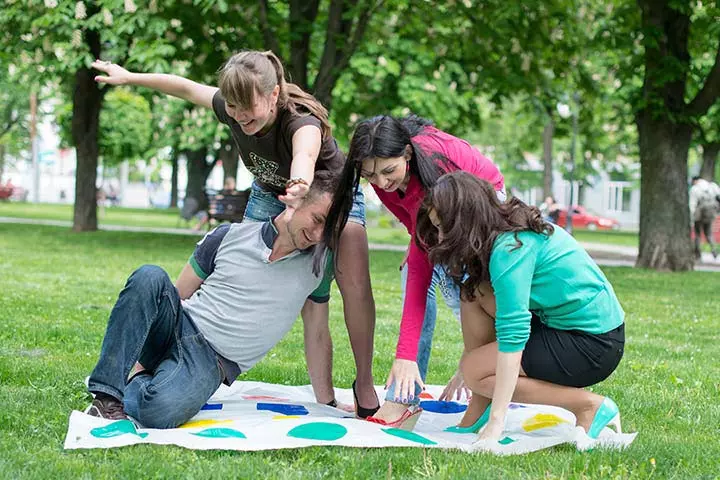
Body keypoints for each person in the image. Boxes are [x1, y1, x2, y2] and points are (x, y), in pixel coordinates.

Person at [93, 52, 379, 415]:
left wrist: (300, 184)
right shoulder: (233, 107)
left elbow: (305, 155)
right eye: (233, 107)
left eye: (250, 109)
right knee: (244, 263)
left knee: (347, 285)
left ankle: (360, 387)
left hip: (327, 195)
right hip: (273, 187)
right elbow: (183, 87)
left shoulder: (300, 122)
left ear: (274, 95)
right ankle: (173, 356)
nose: (241, 116)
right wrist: (130, 76)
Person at [86, 172, 343, 428]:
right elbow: (175, 296)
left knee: (158, 411)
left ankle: (135, 377)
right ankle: (107, 397)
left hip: (211, 360)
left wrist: (327, 402)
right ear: (293, 202)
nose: (319, 235)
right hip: (179, 324)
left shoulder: (318, 265)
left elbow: (317, 333)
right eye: (317, 219)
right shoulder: (229, 235)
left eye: (327, 228)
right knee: (149, 276)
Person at [414, 171, 625, 441]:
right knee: (473, 291)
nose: (441, 236)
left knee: (476, 372)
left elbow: (513, 334)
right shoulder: (502, 230)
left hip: (592, 344)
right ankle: (479, 403)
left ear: (464, 220)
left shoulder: (509, 250)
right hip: (561, 326)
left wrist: (497, 421)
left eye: (444, 226)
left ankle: (587, 405)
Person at [325, 114, 505, 428]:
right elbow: (418, 231)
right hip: (437, 216)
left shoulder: (438, 170)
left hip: (485, 208)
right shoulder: (387, 182)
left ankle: (481, 375)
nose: (381, 183)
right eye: (370, 175)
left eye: (387, 171)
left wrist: (462, 354)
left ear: (407, 154)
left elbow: (429, 240)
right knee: (415, 274)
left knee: (463, 288)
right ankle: (404, 399)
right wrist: (415, 253)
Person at [689, 176, 720, 260]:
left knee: (697, 234)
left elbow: (693, 204)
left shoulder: (694, 189)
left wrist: (692, 217)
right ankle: (714, 250)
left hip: (699, 214)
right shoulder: (712, 186)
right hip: (710, 214)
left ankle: (697, 254)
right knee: (709, 233)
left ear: (695, 181)